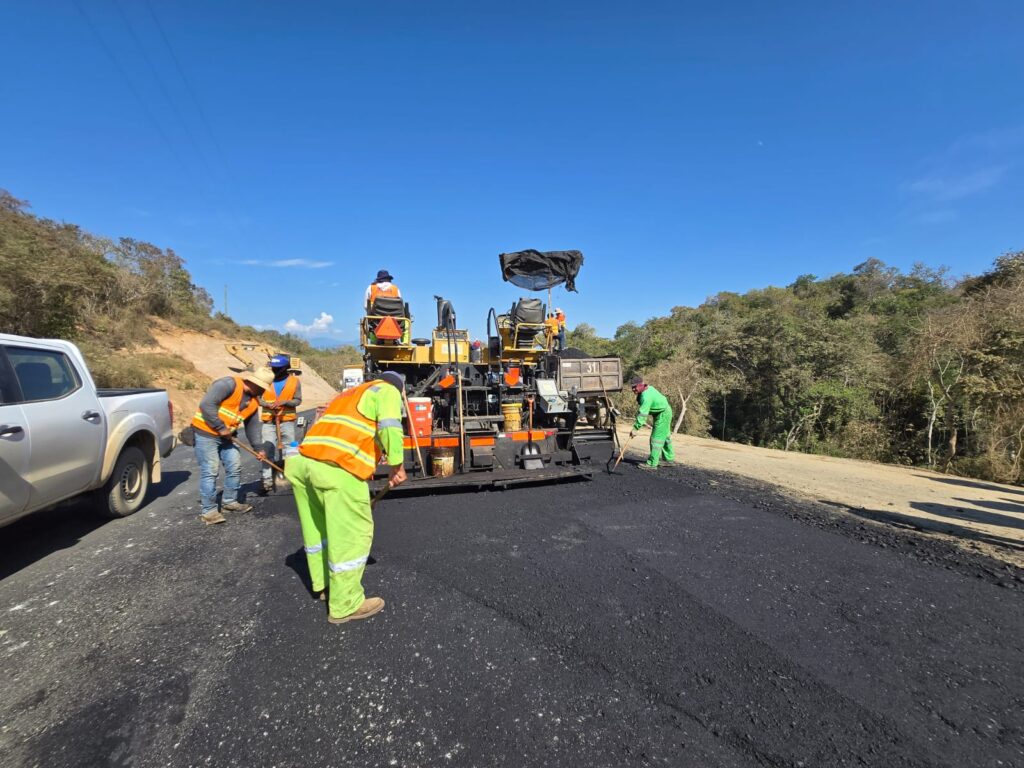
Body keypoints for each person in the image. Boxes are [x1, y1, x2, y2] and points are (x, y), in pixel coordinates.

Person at [284, 370, 408, 624]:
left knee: (319, 531)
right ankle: (346, 604)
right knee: (351, 536)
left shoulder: (349, 394)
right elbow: (390, 427)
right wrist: (397, 466)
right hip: (336, 469)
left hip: (303, 463)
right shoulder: (387, 390)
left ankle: (323, 585)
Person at [191, 367, 275, 524]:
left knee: (234, 467)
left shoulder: (253, 402)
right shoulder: (228, 384)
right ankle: (209, 511)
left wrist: (258, 448)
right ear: (255, 383)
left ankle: (230, 502)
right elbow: (206, 405)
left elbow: (252, 427)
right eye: (262, 388)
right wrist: (220, 427)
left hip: (228, 437)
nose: (263, 392)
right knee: (210, 471)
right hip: (206, 433)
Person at [258, 354, 303, 494]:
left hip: (286, 420)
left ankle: (289, 477)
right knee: (267, 449)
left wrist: (284, 402)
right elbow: (258, 398)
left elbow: (298, 400)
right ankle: (267, 481)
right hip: (269, 421)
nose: (275, 370)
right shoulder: (265, 380)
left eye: (278, 368)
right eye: (273, 367)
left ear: (285, 368)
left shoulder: (294, 381)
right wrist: (267, 404)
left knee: (289, 450)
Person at [629, 375, 675, 471]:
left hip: (663, 414)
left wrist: (635, 429)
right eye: (632, 387)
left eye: (635, 387)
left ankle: (652, 463)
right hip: (663, 412)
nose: (633, 389)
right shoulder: (647, 388)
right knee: (665, 436)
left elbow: (642, 415)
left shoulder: (646, 397)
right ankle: (669, 459)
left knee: (656, 439)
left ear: (641, 384)